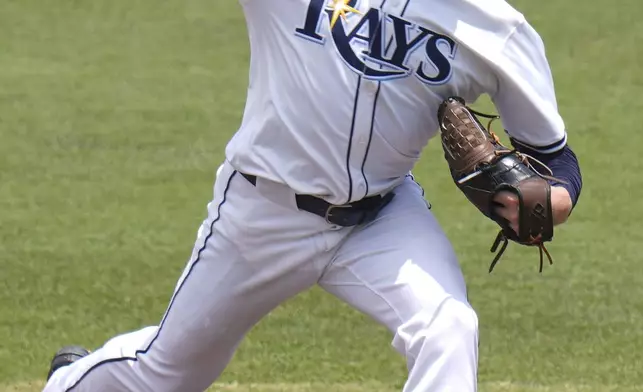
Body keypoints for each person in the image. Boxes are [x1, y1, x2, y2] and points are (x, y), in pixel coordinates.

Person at [43, 0, 582, 391]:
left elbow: (556, 162)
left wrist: (552, 201)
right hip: (263, 212)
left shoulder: (496, 27)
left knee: (447, 329)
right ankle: (70, 381)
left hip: (383, 219)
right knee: (169, 371)